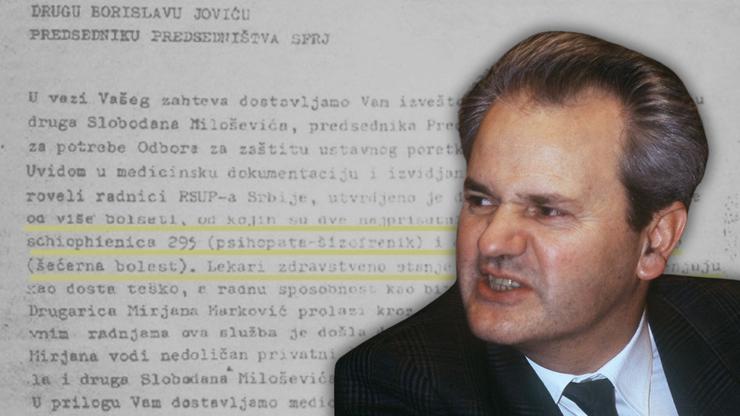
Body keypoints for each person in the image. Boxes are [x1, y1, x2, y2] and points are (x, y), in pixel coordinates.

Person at [334, 31, 740, 415]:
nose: (491, 242)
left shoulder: (729, 322)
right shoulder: (400, 380)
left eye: (547, 211)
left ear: (655, 240)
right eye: (481, 200)